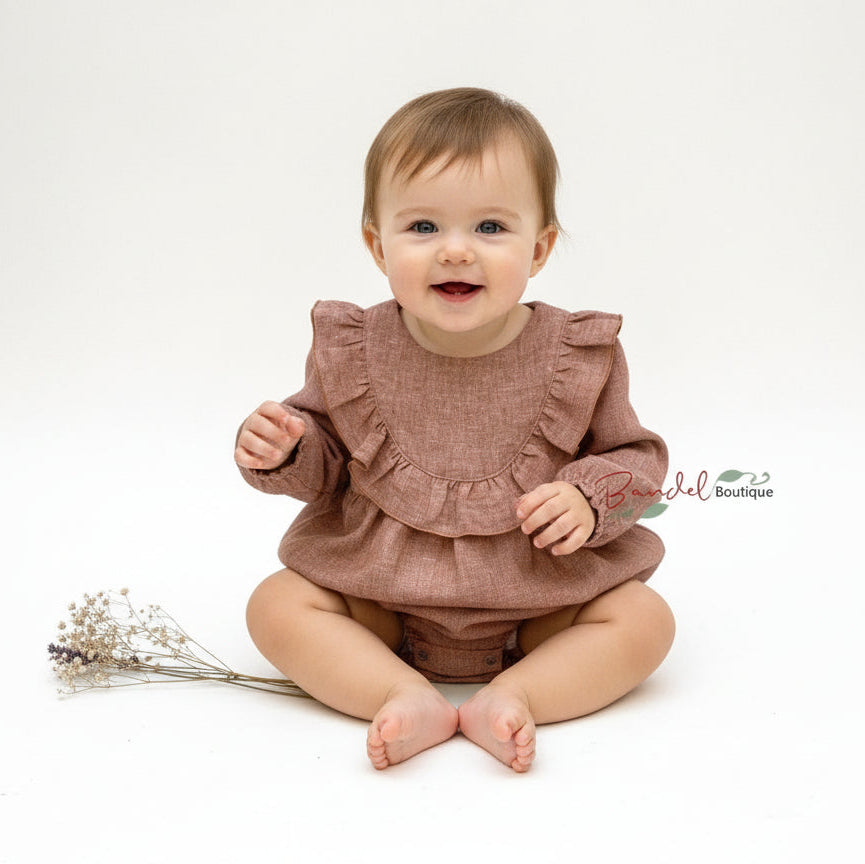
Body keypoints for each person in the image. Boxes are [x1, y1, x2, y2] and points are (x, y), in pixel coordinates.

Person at [235, 87, 675, 773]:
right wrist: (286, 448)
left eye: (491, 227)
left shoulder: (576, 355)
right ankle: (399, 691)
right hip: (379, 602)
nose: (456, 252)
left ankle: (518, 693)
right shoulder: (353, 348)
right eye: (423, 227)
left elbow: (635, 459)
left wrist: (588, 499)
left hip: (540, 607)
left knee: (645, 620)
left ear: (540, 248)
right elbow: (325, 464)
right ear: (377, 245)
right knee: (276, 603)